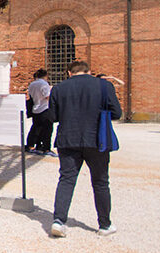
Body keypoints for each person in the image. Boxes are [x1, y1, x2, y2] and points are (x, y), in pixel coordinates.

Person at [47, 60, 122, 238]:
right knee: (101, 182)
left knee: (66, 180)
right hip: (97, 139)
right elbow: (117, 113)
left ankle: (58, 221)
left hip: (67, 139)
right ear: (89, 71)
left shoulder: (58, 88)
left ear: (69, 73)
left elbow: (53, 117)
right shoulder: (104, 86)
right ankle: (104, 224)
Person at [25, 69, 55, 156]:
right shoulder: (44, 84)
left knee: (36, 128)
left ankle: (31, 145)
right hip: (45, 108)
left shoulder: (32, 84)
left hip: (35, 108)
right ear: (45, 75)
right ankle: (46, 148)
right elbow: (47, 96)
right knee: (47, 130)